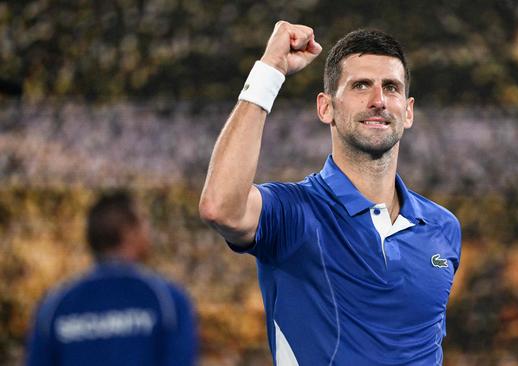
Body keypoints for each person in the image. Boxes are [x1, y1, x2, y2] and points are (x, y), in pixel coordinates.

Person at [199, 21, 461, 365]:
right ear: (326, 107)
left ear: (408, 111)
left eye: (392, 88)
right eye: (361, 85)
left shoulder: (443, 228)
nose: (379, 100)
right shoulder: (293, 213)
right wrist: (270, 71)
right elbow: (220, 207)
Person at [26, 191, 198, 366]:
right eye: (144, 221)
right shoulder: (167, 300)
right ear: (129, 232)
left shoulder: (55, 305)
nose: (150, 230)